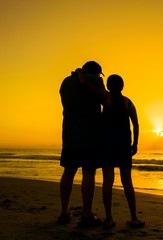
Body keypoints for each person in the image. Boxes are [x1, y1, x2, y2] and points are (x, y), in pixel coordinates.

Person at [77, 68, 145, 229]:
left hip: (107, 144)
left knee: (108, 180)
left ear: (108, 85)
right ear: (122, 86)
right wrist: (135, 143)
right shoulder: (128, 102)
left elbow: (85, 84)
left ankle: (109, 219)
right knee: (127, 180)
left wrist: (80, 72)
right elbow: (136, 124)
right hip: (123, 144)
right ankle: (134, 217)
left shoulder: (105, 97)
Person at [58, 61, 105, 227]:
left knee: (68, 173)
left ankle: (64, 212)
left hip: (70, 134)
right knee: (88, 174)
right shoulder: (95, 81)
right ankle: (86, 215)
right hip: (90, 135)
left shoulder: (65, 82)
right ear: (97, 73)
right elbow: (105, 99)